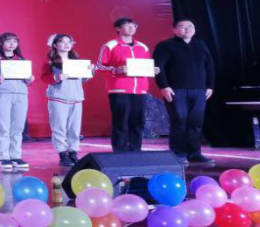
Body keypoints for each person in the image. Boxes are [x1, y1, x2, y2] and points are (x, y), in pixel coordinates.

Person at [154, 19, 216, 166]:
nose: (187, 29)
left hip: (199, 90)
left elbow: (209, 66)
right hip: (176, 90)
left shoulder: (201, 45)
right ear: (174, 30)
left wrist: (210, 86)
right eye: (182, 27)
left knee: (196, 122)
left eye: (190, 26)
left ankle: (195, 153)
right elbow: (158, 67)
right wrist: (164, 86)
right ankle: (178, 153)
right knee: (179, 121)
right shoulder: (165, 45)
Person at [96, 17, 159, 153]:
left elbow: (146, 65)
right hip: (119, 89)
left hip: (140, 90)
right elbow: (99, 66)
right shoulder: (110, 45)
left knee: (138, 122)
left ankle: (135, 151)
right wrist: (115, 69)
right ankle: (120, 152)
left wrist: (152, 69)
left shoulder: (142, 46)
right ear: (117, 28)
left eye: (134, 26)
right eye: (127, 25)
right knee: (121, 122)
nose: (131, 28)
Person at [0, 32, 34, 172]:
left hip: (21, 95)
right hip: (1, 95)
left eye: (14, 41)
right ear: (1, 43)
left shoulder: (22, 61)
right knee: (3, 127)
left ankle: (16, 156)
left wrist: (29, 80)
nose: (12, 44)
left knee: (18, 127)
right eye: (8, 41)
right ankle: (4, 157)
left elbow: (27, 80)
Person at [43, 34, 93, 167]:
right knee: (59, 128)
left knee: (75, 129)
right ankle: (62, 153)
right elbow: (44, 78)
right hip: (58, 98)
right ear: (54, 45)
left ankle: (73, 152)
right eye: (62, 42)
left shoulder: (77, 62)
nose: (66, 44)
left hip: (76, 98)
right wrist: (57, 77)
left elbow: (83, 79)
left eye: (69, 42)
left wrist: (89, 72)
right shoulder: (50, 62)